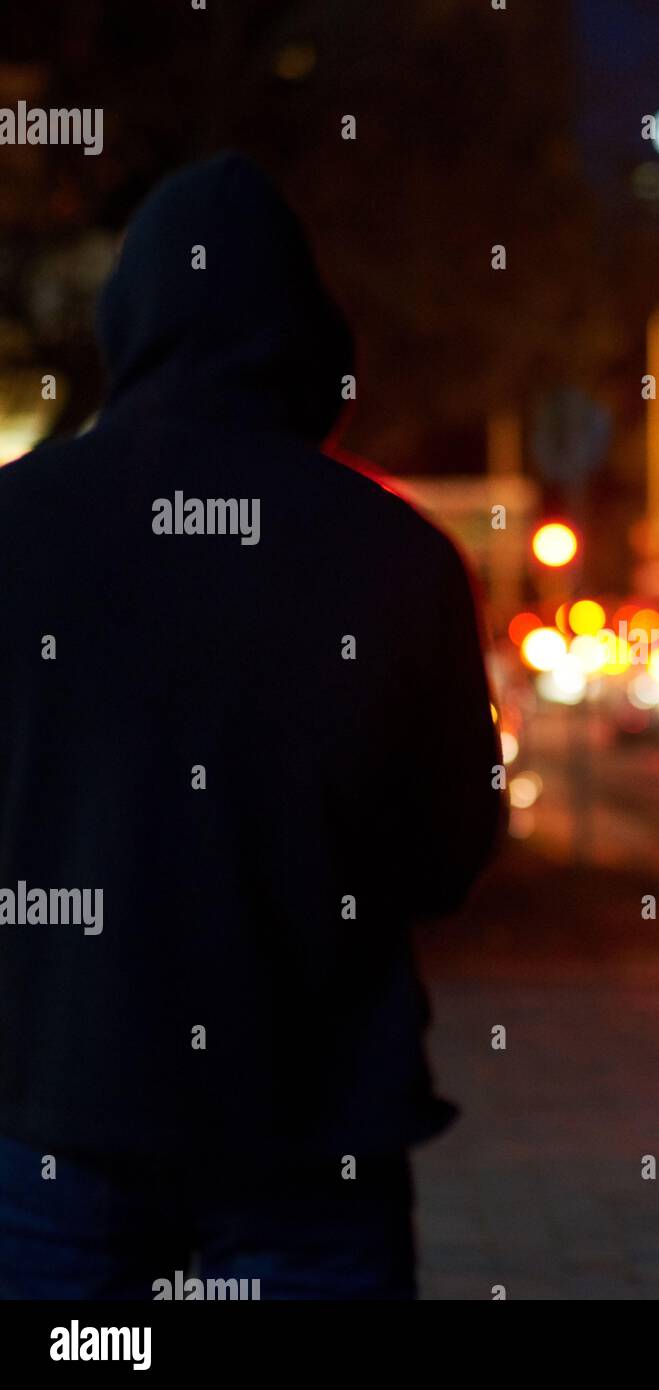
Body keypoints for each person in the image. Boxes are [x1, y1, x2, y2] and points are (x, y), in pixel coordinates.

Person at [0, 153, 507, 1299]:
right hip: (309, 1122)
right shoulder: (398, 555)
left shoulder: (17, 525)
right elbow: (445, 856)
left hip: (49, 1105)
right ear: (310, 335)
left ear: (123, 318)